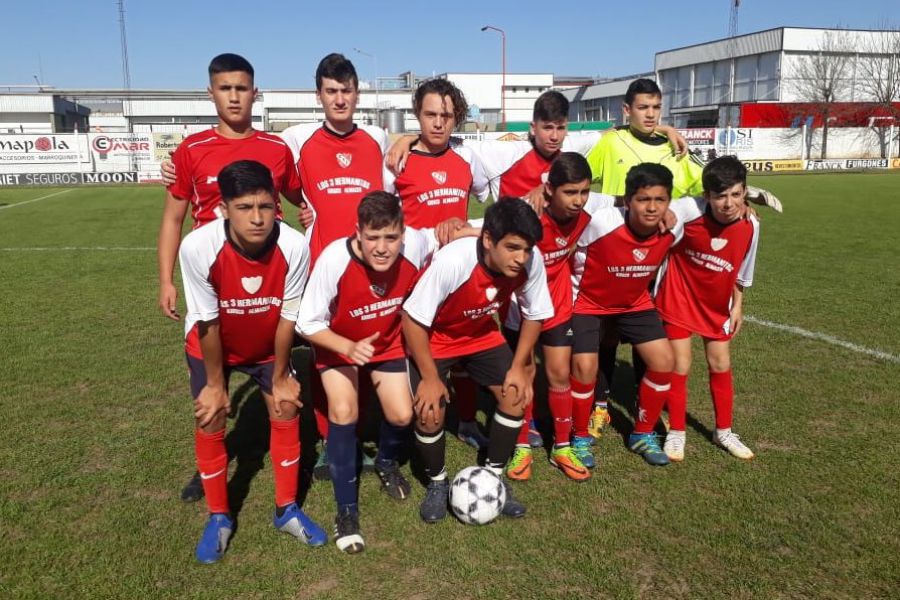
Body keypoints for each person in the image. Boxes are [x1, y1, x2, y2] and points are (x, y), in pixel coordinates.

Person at [583, 78, 781, 440]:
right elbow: (584, 176)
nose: (650, 114)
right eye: (643, 108)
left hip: (657, 256)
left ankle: (648, 406)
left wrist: (743, 199)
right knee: (608, 334)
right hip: (616, 247)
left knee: (650, 334)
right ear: (627, 110)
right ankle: (601, 405)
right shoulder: (610, 143)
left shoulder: (674, 149)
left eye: (656, 108)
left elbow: (707, 186)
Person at [156, 53, 302, 503]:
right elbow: (172, 217)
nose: (235, 96)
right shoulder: (192, 149)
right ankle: (210, 470)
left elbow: (301, 198)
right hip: (211, 278)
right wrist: (166, 279)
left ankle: (289, 451)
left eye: (242, 88)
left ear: (255, 93)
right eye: (226, 88)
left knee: (280, 382)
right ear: (211, 93)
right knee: (210, 389)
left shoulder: (277, 149)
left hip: (265, 280)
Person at [178, 160, 325, 563]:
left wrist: (279, 376)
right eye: (245, 208)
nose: (257, 218)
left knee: (285, 406)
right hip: (214, 345)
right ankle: (220, 516)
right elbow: (207, 321)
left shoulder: (294, 245)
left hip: (267, 344)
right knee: (209, 415)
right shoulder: (197, 247)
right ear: (223, 208)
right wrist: (215, 384)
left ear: (277, 204)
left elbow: (288, 317)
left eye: (265, 206)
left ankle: (286, 510)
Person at [296, 191, 439, 553]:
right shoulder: (333, 260)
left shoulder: (416, 245)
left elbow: (443, 234)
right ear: (357, 232)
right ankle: (346, 511)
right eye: (372, 237)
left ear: (404, 233)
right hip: (337, 343)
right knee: (345, 410)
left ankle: (386, 464)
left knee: (403, 413)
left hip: (386, 342)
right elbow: (306, 323)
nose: (382, 247)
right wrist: (345, 347)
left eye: (390, 237)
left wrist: (468, 230)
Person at [402, 199, 553, 522]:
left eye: (526, 249)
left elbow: (535, 313)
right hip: (434, 338)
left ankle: (494, 476)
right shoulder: (454, 261)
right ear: (487, 240)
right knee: (429, 413)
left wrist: (519, 365)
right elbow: (412, 321)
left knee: (516, 393)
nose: (521, 257)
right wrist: (430, 379)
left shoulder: (530, 260)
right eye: (512, 248)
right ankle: (438, 482)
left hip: (480, 334)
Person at [383, 78, 491, 450]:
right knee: (418, 350)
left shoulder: (467, 157)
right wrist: (405, 140)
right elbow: (381, 215)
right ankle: (401, 434)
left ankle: (466, 421)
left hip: (461, 273)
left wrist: (467, 227)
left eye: (446, 115)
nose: (439, 123)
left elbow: (488, 195)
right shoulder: (399, 159)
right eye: (430, 114)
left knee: (464, 345)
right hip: (415, 276)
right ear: (417, 115)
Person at [500, 153, 615, 482]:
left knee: (560, 374)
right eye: (570, 193)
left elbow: (629, 198)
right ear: (550, 191)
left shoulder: (589, 210)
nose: (579, 201)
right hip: (519, 305)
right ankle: (521, 446)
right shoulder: (527, 214)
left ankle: (561, 447)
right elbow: (488, 227)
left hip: (557, 304)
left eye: (583, 192)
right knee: (522, 374)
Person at [570, 163, 687, 467]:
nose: (652, 208)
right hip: (588, 302)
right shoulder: (601, 223)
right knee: (584, 366)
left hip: (634, 302)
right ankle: (580, 438)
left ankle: (642, 433)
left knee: (664, 362)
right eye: (643, 199)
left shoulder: (673, 227)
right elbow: (569, 245)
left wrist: (748, 206)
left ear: (669, 201)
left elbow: (706, 204)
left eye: (660, 200)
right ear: (627, 200)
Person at [654, 156, 760, 461]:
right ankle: (676, 432)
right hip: (678, 298)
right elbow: (660, 213)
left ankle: (723, 431)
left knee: (720, 364)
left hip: (716, 306)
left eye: (736, 195)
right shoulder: (689, 213)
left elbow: (743, 269)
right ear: (707, 197)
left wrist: (738, 306)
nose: (728, 204)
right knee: (681, 364)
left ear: (744, 192)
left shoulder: (750, 224)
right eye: (720, 196)